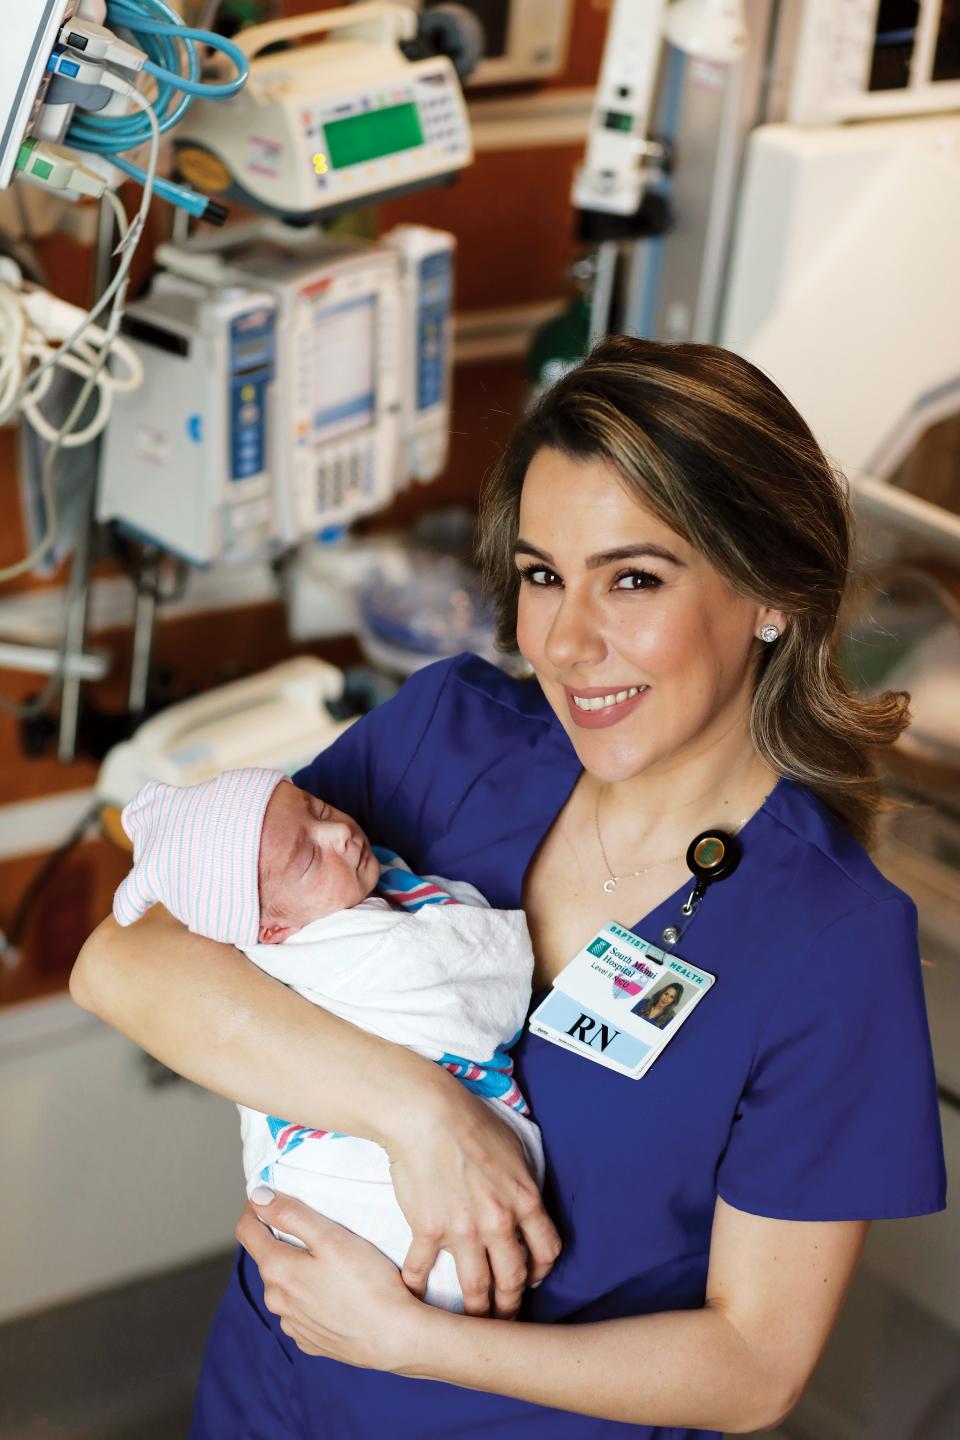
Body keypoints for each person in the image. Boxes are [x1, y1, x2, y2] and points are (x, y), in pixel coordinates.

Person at [72, 336, 946, 1440]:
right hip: (274, 1386)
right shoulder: (455, 741)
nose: (569, 642)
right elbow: (122, 961)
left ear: (772, 589)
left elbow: (752, 1364)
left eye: (633, 578)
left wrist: (417, 1344)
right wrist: (420, 1113)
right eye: (543, 576)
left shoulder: (829, 943)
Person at [111, 767, 543, 1313]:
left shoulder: (366, 886)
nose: (338, 834)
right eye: (309, 858)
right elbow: (475, 986)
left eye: (318, 809)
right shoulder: (318, 956)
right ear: (271, 933)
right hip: (345, 1180)